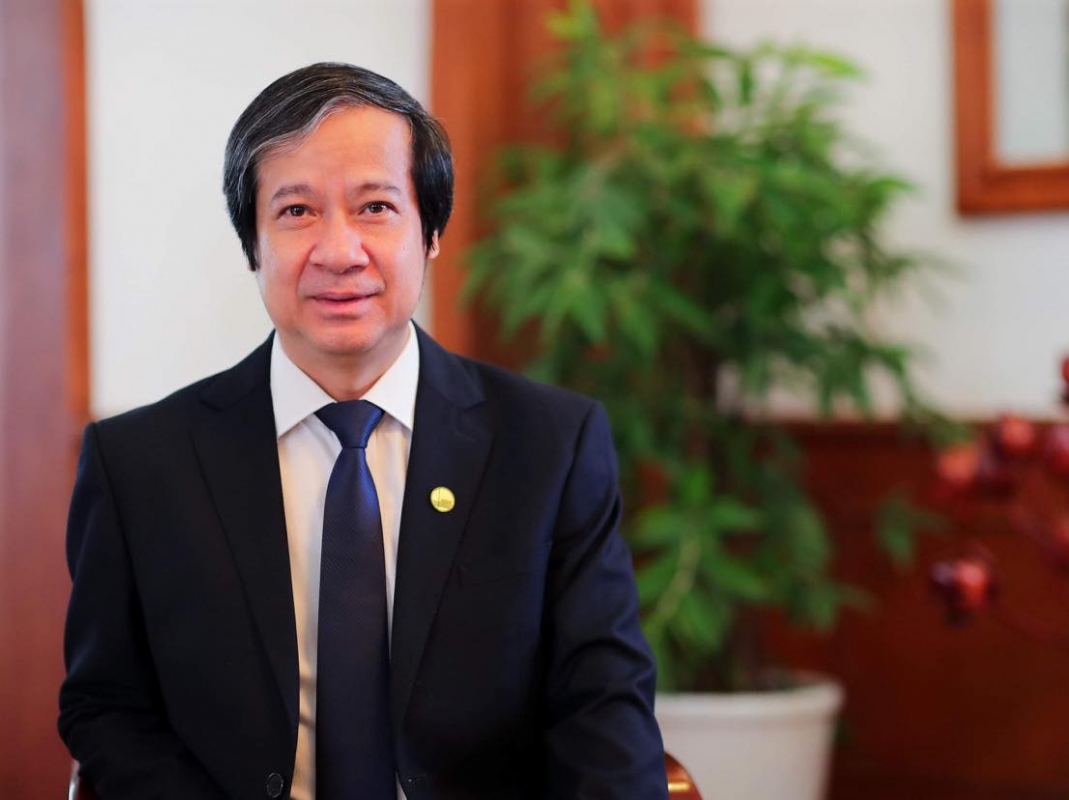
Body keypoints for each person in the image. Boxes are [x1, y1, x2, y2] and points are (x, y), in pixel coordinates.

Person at [58, 62, 667, 800]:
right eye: (297, 211)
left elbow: (604, 710)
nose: (340, 252)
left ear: (431, 232)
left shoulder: (549, 446)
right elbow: (107, 708)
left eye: (375, 206)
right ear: (253, 244)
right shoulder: (140, 465)